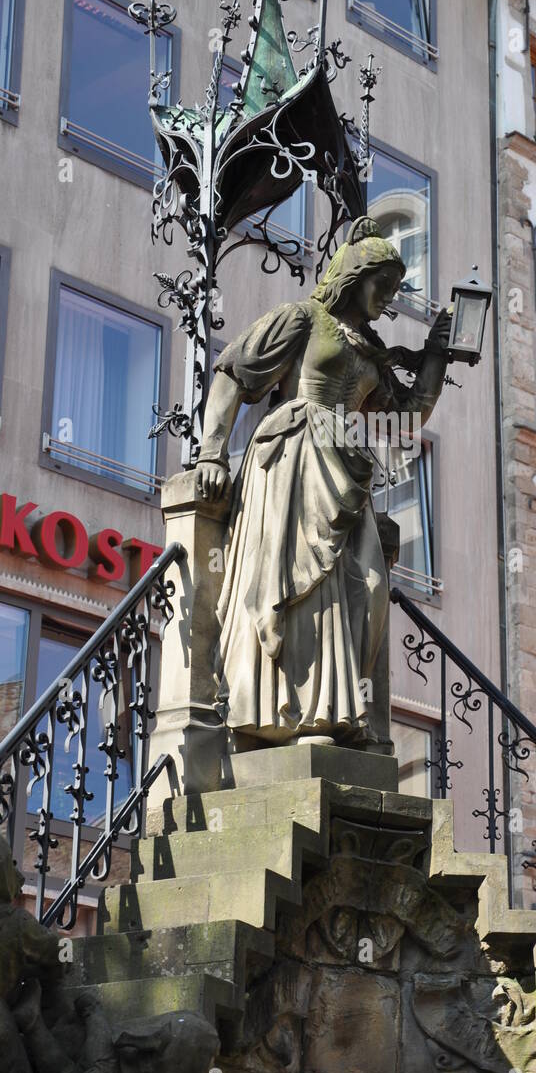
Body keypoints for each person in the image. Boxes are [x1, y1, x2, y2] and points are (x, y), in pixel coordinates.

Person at [195, 215, 451, 748]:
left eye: (398, 289)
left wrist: (436, 355)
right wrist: (212, 454)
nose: (390, 298)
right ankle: (296, 715)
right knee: (302, 589)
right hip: (294, 459)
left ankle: (334, 709)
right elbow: (232, 373)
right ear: (357, 276)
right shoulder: (302, 319)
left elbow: (406, 418)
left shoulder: (370, 351)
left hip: (346, 469)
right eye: (385, 285)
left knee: (371, 589)